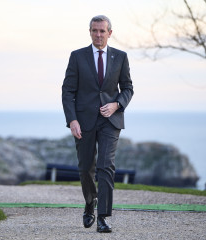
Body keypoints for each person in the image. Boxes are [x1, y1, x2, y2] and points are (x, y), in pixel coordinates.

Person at [61, 15, 134, 233]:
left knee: (106, 166)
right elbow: (67, 91)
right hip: (83, 122)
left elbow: (128, 88)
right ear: (90, 32)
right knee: (86, 168)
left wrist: (117, 105)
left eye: (102, 31)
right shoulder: (77, 56)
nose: (98, 35)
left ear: (110, 33)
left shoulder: (120, 57)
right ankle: (89, 201)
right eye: (95, 31)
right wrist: (72, 119)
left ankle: (102, 216)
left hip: (110, 121)